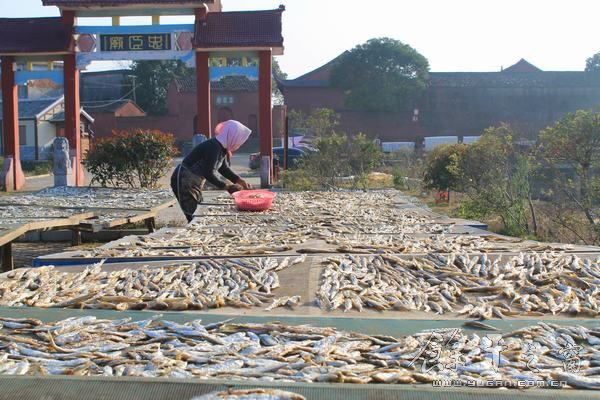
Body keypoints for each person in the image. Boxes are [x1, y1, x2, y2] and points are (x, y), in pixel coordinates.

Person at [171, 120, 253, 223]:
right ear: (232, 135)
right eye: (238, 139)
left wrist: (240, 181)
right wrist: (226, 187)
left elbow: (224, 169)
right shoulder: (214, 146)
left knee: (198, 212)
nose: (239, 143)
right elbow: (208, 173)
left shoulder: (222, 148)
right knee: (195, 216)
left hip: (194, 182)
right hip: (185, 180)